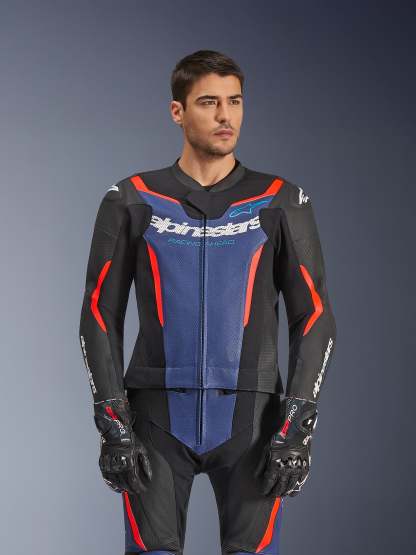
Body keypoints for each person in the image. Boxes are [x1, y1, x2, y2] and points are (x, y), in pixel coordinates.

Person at [78, 49, 337, 555]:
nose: (225, 116)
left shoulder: (281, 199)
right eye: (209, 102)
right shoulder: (132, 197)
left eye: (235, 101)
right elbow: (98, 315)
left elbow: (314, 316)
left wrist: (297, 427)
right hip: (153, 420)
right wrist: (112, 424)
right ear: (177, 111)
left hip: (254, 423)